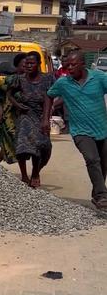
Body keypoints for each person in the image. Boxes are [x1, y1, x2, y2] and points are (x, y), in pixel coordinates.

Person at [43, 50, 107, 209]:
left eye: (73, 65)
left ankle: (96, 193)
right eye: (67, 65)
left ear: (83, 64)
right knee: (92, 159)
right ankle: (102, 196)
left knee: (103, 164)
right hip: (80, 130)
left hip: (102, 128)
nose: (69, 68)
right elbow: (49, 95)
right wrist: (45, 119)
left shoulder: (98, 78)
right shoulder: (63, 83)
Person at [8, 51, 54, 187]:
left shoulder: (47, 79)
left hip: (41, 115)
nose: (28, 66)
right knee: (22, 145)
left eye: (31, 63)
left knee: (43, 146)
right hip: (25, 114)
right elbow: (9, 94)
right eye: (26, 63)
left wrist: (49, 112)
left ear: (39, 64)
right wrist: (18, 105)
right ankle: (24, 175)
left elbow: (51, 97)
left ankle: (35, 171)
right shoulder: (20, 79)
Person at [0, 53, 27, 165]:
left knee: (9, 147)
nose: (27, 68)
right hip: (10, 118)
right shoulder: (10, 80)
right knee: (17, 145)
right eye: (23, 66)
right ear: (17, 67)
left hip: (26, 118)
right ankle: (24, 176)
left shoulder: (32, 81)